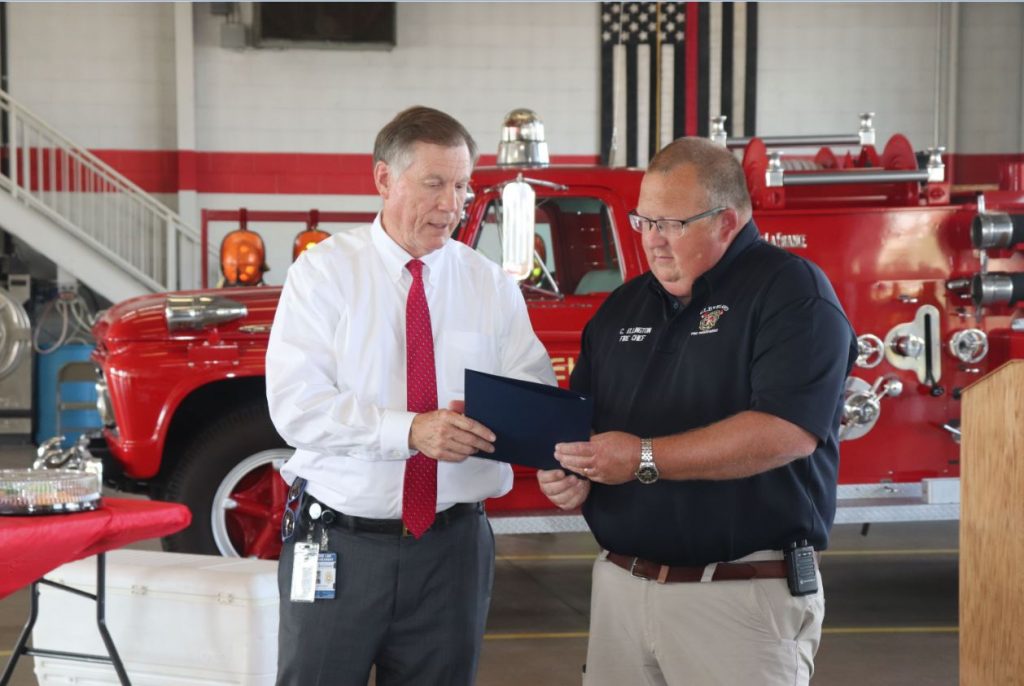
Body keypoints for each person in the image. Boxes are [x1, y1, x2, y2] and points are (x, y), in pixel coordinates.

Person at [538, 137, 857, 686]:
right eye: (644, 222)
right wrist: (571, 474)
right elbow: (585, 427)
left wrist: (642, 458)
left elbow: (786, 432)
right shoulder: (622, 307)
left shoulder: (791, 293)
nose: (652, 241)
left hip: (738, 596)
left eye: (671, 224)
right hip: (620, 589)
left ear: (727, 222)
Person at [266, 105, 555, 686]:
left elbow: (533, 391)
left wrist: (537, 440)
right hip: (339, 545)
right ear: (383, 179)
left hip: (453, 551)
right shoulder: (323, 275)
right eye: (434, 184)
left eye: (462, 186)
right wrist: (410, 431)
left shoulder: (489, 285)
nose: (452, 204)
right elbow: (297, 406)